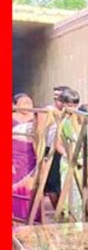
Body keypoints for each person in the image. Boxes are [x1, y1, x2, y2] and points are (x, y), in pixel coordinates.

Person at [13, 94, 38, 222]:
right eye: (23, 103)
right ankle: (16, 216)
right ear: (15, 105)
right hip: (14, 156)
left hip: (31, 156)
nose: (27, 106)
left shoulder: (36, 117)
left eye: (29, 103)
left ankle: (31, 216)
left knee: (32, 184)